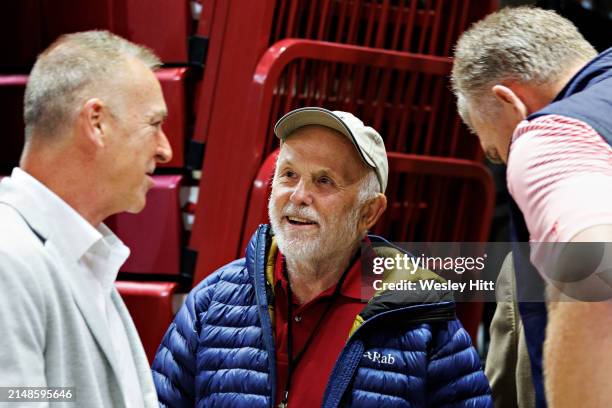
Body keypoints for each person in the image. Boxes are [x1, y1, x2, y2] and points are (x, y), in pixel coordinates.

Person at [152, 107, 492, 407]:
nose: (299, 196)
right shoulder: (211, 302)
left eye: (324, 181)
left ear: (369, 212)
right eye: (288, 175)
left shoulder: (423, 321)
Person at [0, 31, 172, 407]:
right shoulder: (8, 258)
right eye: (154, 124)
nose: (165, 149)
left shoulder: (86, 258)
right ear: (96, 122)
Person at [451, 6, 612, 407]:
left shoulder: (550, 135)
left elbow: (596, 269)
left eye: (497, 152)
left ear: (508, 103)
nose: (508, 162)